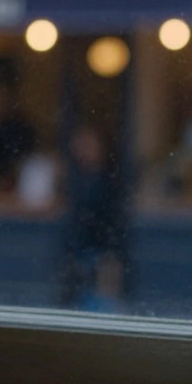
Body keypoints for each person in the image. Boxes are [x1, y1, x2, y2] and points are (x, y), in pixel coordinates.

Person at [59, 125, 129, 311]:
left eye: (88, 145)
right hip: (78, 253)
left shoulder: (109, 181)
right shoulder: (75, 179)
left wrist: (111, 255)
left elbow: (113, 221)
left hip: (100, 253)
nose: (83, 151)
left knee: (102, 306)